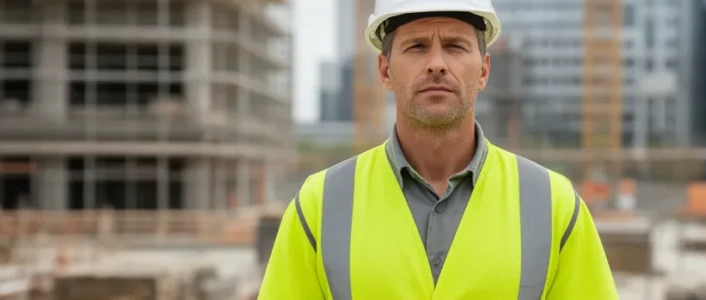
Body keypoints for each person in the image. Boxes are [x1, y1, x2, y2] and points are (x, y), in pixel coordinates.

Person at [258, 0, 617, 299]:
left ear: (483, 70)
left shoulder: (554, 207)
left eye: (455, 46)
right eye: (416, 46)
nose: (436, 63)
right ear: (384, 70)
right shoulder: (319, 207)